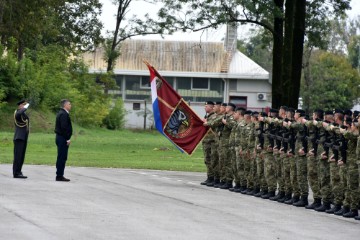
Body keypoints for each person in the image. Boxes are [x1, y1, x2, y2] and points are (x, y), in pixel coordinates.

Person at [54, 99, 73, 182]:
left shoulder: (61, 113)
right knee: (62, 157)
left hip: (60, 137)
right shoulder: (64, 114)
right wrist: (67, 138)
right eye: (69, 104)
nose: (70, 105)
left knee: (61, 156)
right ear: (65, 105)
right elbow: (64, 128)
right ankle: (59, 175)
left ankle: (59, 174)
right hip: (62, 138)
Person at [13, 99, 30, 178]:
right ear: (20, 105)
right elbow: (19, 113)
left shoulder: (23, 114)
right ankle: (16, 173)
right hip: (19, 137)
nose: (25, 106)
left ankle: (19, 171)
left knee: (22, 156)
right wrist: (24, 108)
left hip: (23, 137)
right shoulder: (17, 112)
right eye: (23, 104)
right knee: (18, 156)